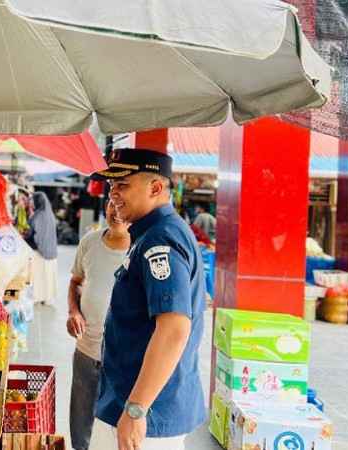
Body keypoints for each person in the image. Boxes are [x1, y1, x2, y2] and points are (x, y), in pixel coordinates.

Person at [89, 149, 207, 450]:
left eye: (123, 185)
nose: (113, 194)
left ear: (155, 188)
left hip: (145, 413)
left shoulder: (160, 239)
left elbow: (174, 329)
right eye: (111, 185)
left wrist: (136, 409)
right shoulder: (151, 233)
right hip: (135, 402)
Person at [66, 199, 130, 450]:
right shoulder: (89, 242)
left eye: (122, 205)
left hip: (123, 360)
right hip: (86, 350)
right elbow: (75, 282)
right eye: (112, 204)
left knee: (114, 429)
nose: (116, 211)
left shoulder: (140, 248)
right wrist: (74, 312)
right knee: (81, 425)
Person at [26, 192, 59, 305]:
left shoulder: (39, 216)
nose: (31, 203)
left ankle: (38, 297)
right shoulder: (49, 214)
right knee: (48, 277)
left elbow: (37, 235)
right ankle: (47, 298)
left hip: (40, 251)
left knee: (39, 276)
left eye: (33, 201)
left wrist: (30, 241)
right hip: (51, 251)